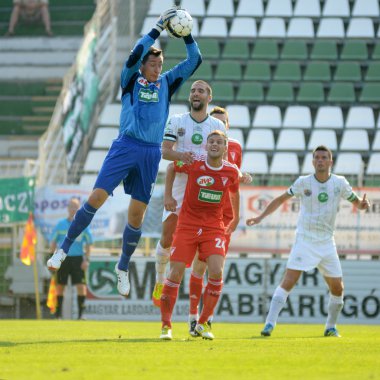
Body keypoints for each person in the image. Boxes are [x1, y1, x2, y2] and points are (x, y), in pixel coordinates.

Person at [47, 6, 202, 298]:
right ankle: (64, 249)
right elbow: (134, 54)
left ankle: (122, 267)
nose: (157, 68)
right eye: (152, 64)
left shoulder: (168, 83)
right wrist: (157, 27)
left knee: (136, 217)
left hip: (150, 152)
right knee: (95, 197)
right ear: (143, 66)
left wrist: (187, 33)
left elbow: (195, 59)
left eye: (159, 64)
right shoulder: (131, 78)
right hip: (126, 146)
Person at [246, 145, 371, 338]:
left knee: (338, 288)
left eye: (324, 157)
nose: (320, 160)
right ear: (313, 162)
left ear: (330, 161)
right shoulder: (303, 182)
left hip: (327, 242)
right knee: (288, 281)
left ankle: (330, 327)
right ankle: (269, 324)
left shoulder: (339, 183)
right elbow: (280, 199)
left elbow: (357, 203)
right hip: (305, 240)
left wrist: (363, 205)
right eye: (317, 158)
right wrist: (260, 217)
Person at [151, 81, 227, 307]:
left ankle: (195, 304)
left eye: (201, 91)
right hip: (180, 188)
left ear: (209, 98)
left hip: (204, 190)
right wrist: (181, 156)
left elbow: (222, 161)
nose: (196, 93)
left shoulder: (217, 126)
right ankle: (159, 280)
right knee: (166, 237)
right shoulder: (176, 121)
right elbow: (165, 152)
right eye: (193, 90)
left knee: (201, 247)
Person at [159, 130, 240, 340]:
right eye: (211, 141)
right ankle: (166, 326)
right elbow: (170, 166)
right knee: (175, 272)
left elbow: (235, 190)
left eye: (219, 142)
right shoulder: (195, 163)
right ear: (206, 146)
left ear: (225, 148)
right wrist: (168, 196)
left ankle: (203, 323)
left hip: (213, 226)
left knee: (216, 271)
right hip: (187, 224)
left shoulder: (231, 171)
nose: (214, 145)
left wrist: (236, 216)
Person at [186, 106, 252, 336]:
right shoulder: (201, 148)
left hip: (223, 216)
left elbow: (233, 181)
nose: (219, 126)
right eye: (215, 122)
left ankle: (207, 320)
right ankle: (193, 317)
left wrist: (236, 214)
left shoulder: (235, 147)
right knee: (199, 265)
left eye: (223, 123)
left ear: (228, 125)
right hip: (202, 214)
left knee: (216, 268)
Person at [49, 198, 93, 319]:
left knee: (81, 286)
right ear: (68, 208)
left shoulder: (83, 224)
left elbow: (89, 243)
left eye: (76, 207)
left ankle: (80, 316)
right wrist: (53, 258)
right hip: (63, 259)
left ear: (79, 209)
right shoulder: (60, 224)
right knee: (60, 287)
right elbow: (52, 242)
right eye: (71, 206)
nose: (73, 209)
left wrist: (86, 260)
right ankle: (58, 316)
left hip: (78, 259)